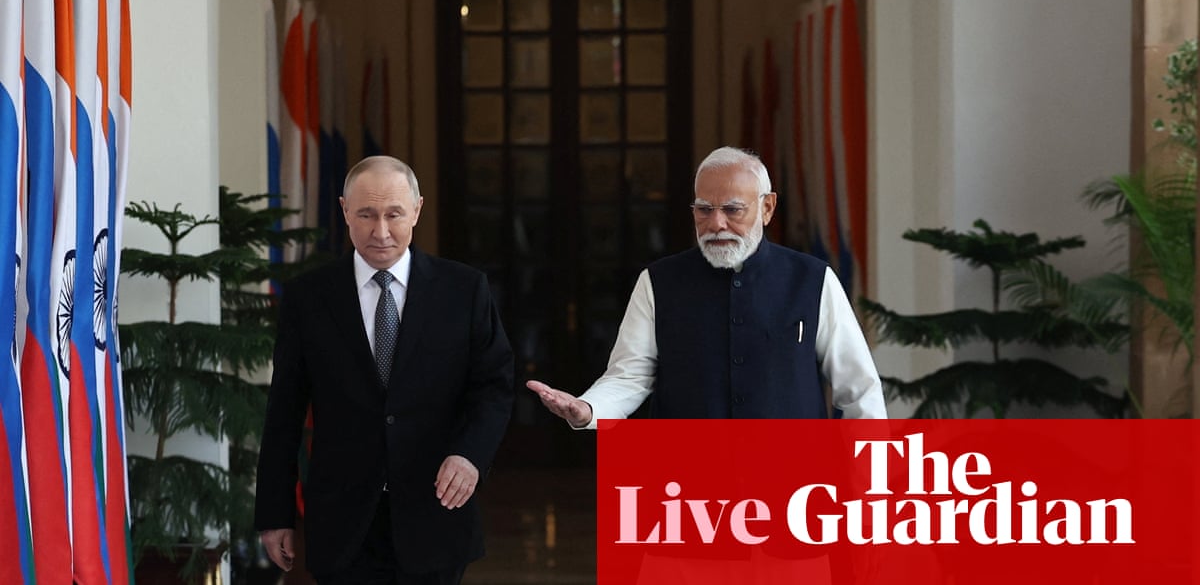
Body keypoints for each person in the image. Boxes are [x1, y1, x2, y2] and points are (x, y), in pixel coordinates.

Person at [255, 156, 515, 584]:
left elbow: (494, 386)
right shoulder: (308, 298)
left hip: (435, 515)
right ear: (344, 211)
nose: (380, 232)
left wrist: (470, 455)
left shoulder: (464, 290)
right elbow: (284, 411)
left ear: (417, 210)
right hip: (342, 524)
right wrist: (274, 514)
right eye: (366, 215)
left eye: (394, 214)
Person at [527, 146, 885, 425]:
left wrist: (864, 480)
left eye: (732, 210)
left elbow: (859, 390)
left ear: (767, 208)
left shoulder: (812, 279)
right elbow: (629, 376)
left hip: (794, 481)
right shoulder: (658, 281)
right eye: (704, 209)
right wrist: (589, 409)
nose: (716, 224)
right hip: (687, 480)